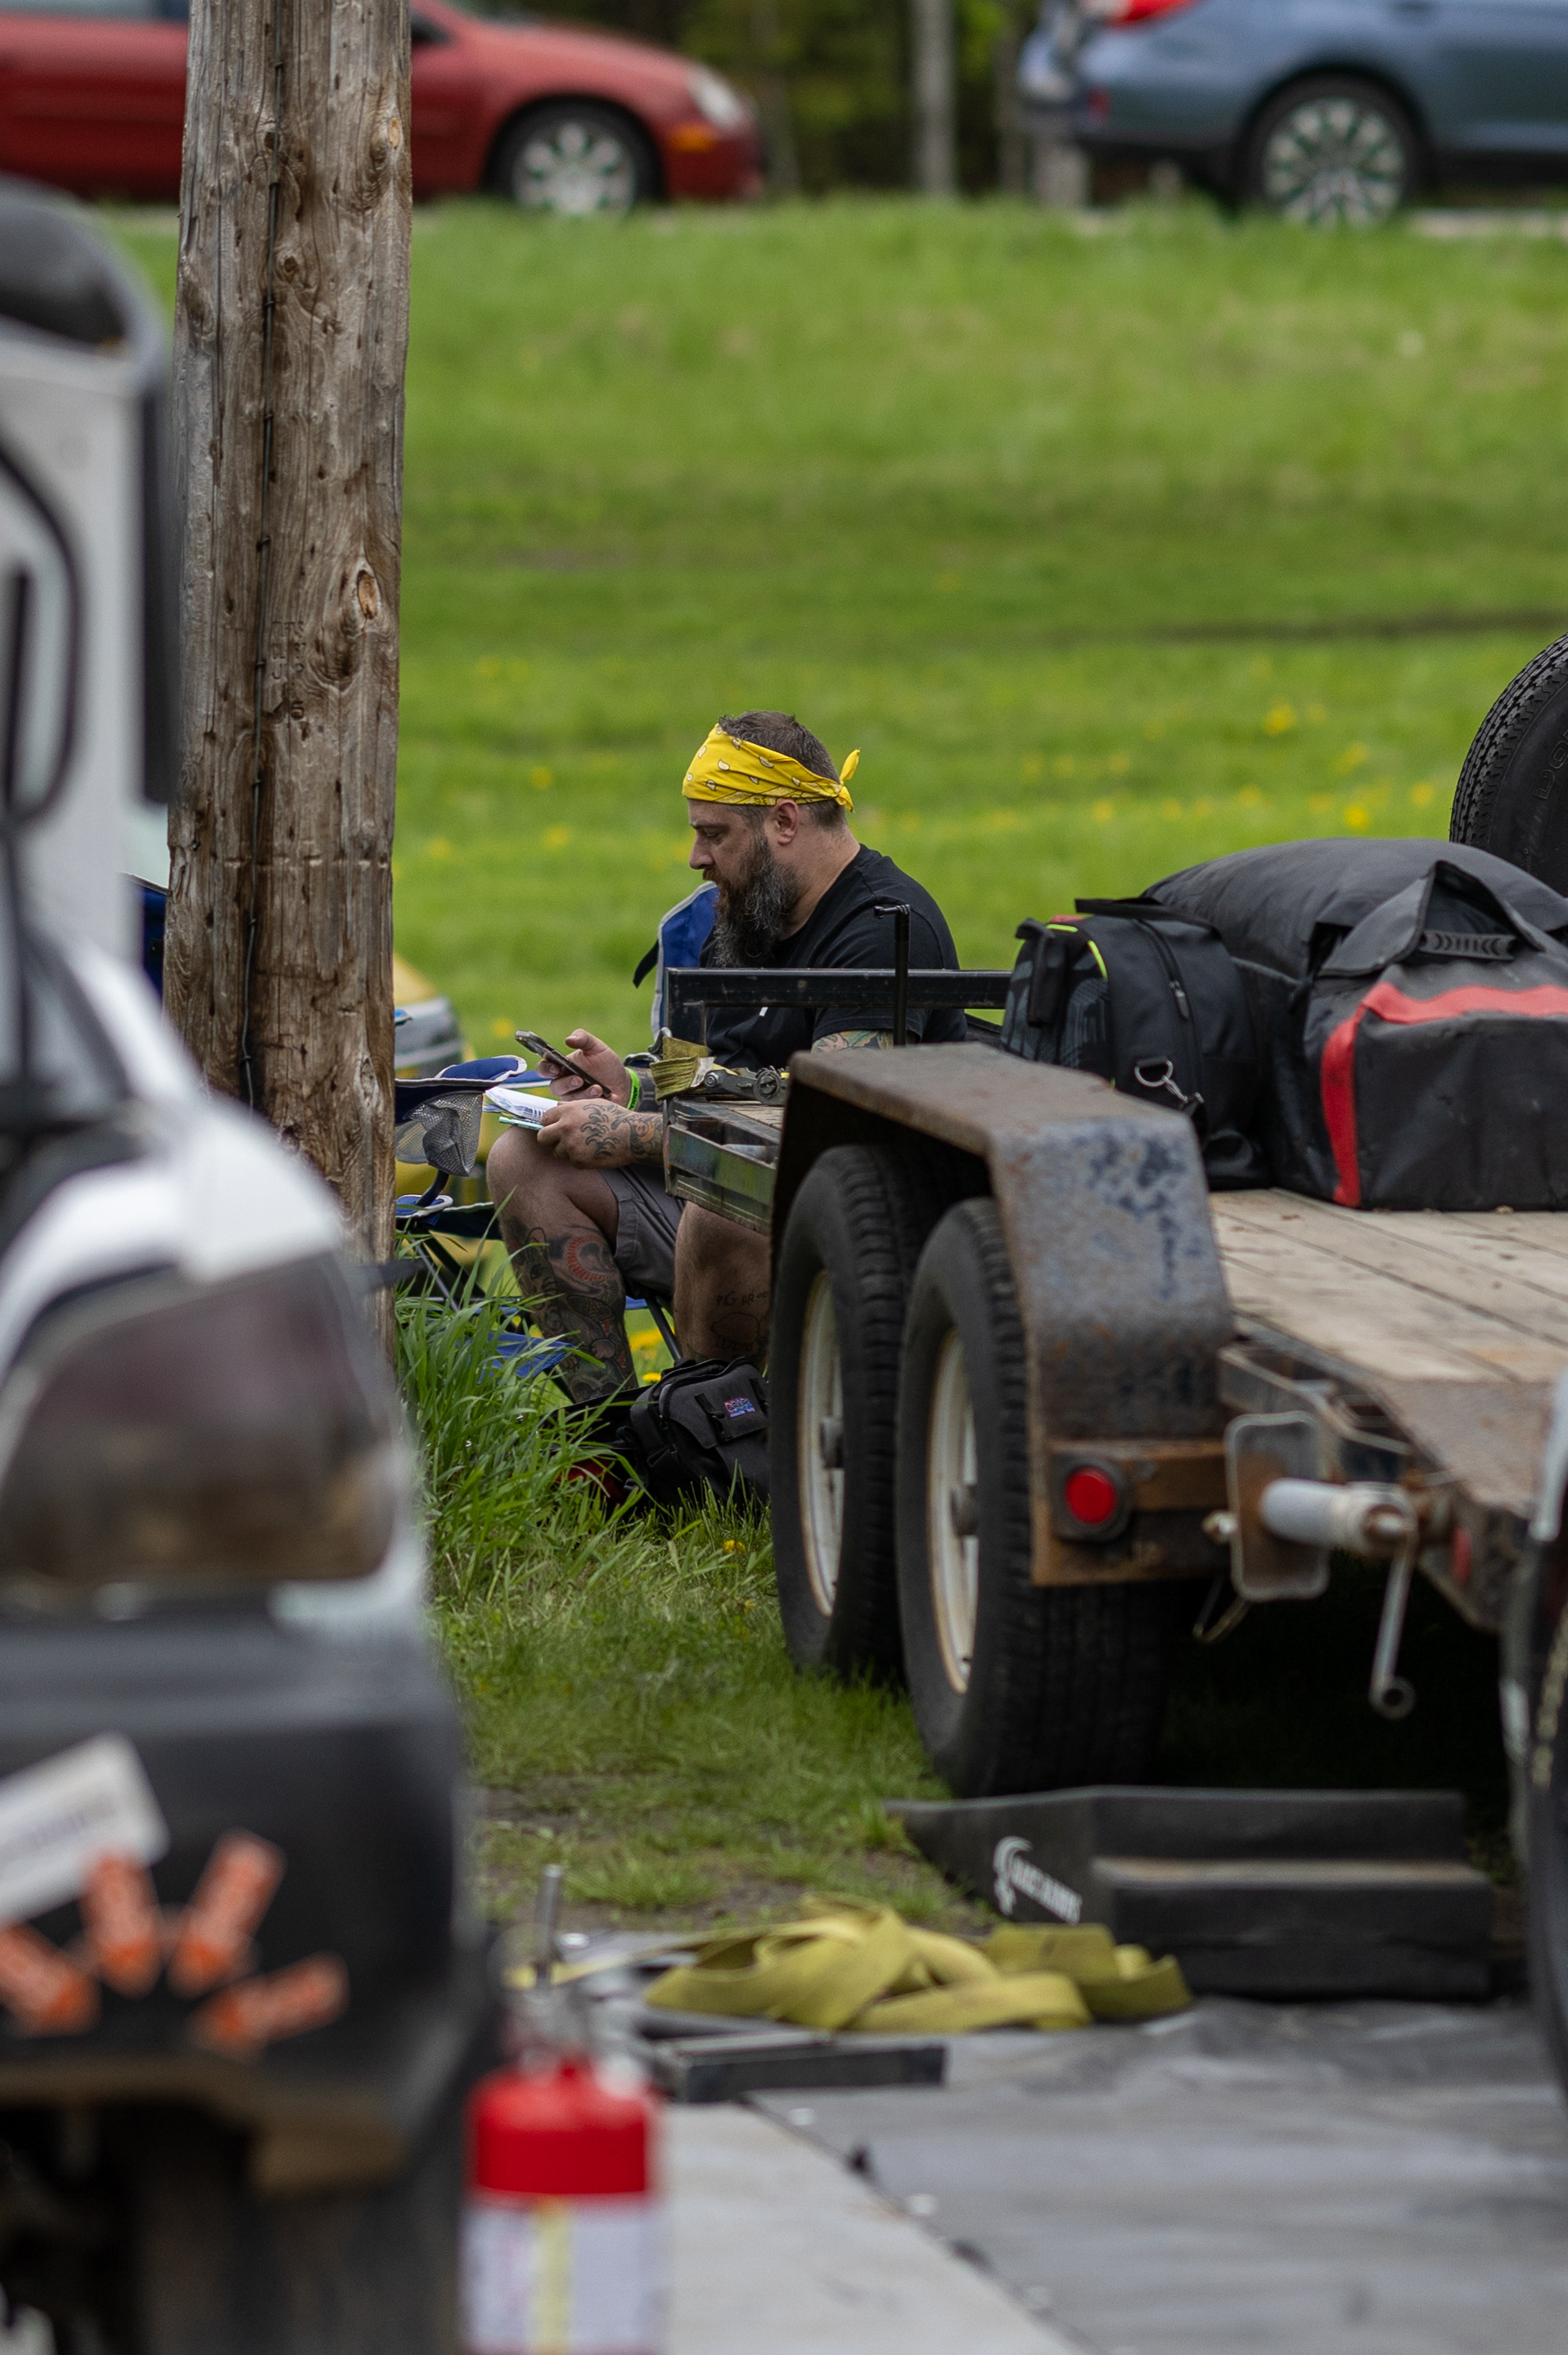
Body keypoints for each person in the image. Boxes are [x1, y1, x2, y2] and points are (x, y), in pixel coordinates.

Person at [484, 711, 965, 1407]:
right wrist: (631, 1090)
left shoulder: (885, 930)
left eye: (714, 834)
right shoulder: (743, 918)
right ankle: (611, 1434)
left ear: (785, 821)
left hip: (844, 1228)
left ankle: (708, 1438)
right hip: (713, 1201)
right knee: (520, 1161)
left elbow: (825, 1125)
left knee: (724, 1196)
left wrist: (637, 1134)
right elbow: (707, 1080)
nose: (696, 857)